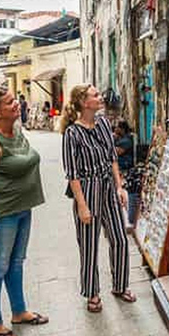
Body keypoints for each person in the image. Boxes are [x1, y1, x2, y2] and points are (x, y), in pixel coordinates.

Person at [0, 83, 49, 336]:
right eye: (9, 102)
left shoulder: (15, 130)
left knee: (16, 263)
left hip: (22, 208)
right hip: (1, 215)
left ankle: (19, 311)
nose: (16, 103)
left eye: (14, 99)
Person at [61, 85, 136, 313]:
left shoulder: (103, 123)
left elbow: (112, 156)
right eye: (95, 95)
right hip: (87, 189)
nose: (100, 97)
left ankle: (120, 285)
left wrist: (120, 186)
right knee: (89, 244)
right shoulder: (72, 134)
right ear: (84, 103)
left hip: (108, 186)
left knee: (120, 238)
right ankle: (92, 292)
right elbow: (72, 173)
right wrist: (82, 206)